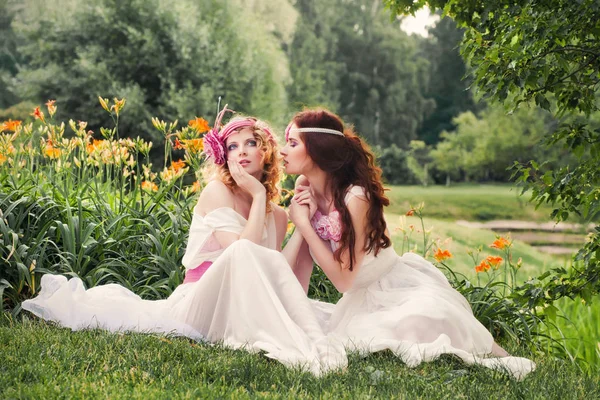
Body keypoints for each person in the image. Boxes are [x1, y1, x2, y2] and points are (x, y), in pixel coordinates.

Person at [21, 107, 346, 376]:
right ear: (224, 156)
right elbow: (240, 254)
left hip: (244, 299)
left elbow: (277, 272)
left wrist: (301, 224)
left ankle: (312, 340)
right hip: (199, 299)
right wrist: (258, 193)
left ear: (266, 151)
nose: (242, 152)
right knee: (245, 254)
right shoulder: (218, 193)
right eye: (232, 146)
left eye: (250, 143)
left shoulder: (276, 214)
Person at [279, 108, 536, 380]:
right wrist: (298, 310)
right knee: (363, 333)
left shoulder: (356, 197)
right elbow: (304, 268)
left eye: (293, 143)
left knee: (421, 321)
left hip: (395, 287)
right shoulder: (304, 185)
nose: (283, 150)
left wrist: (304, 225)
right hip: (358, 301)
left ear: (318, 150)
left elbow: (344, 281)